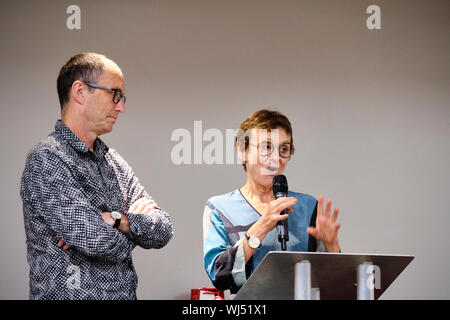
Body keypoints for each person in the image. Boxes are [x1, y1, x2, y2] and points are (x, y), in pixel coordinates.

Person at [20, 52, 174, 300]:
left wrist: (116, 220)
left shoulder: (114, 162)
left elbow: (163, 229)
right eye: (115, 94)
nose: (121, 107)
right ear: (80, 92)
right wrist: (131, 225)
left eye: (122, 97)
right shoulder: (46, 159)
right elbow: (96, 240)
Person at [203, 109, 341, 293]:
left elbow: (333, 282)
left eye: (283, 149)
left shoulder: (308, 207)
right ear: (242, 150)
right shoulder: (220, 208)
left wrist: (332, 246)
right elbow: (218, 275)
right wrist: (261, 227)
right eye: (266, 147)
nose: (275, 158)